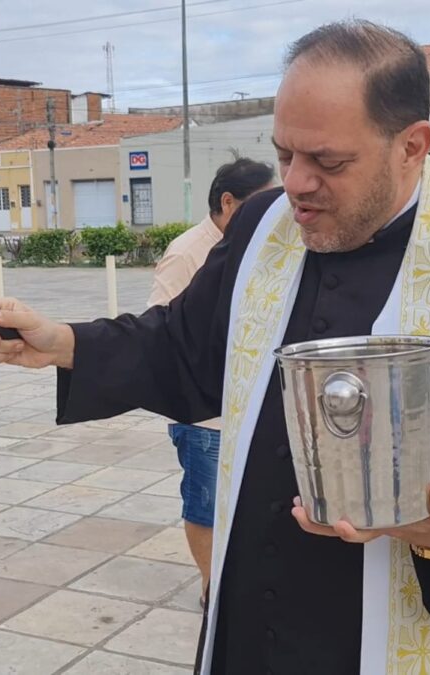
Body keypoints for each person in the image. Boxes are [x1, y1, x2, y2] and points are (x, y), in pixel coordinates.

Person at [0, 20, 430, 675]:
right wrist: (64, 342)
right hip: (257, 625)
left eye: (328, 161)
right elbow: (185, 349)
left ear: (413, 144)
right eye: (285, 153)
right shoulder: (265, 226)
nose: (297, 183)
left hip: (413, 632)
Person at [148, 158, 275, 603]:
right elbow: (161, 330)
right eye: (263, 201)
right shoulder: (187, 253)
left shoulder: (259, 246)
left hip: (250, 405)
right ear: (228, 202)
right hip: (204, 416)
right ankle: (211, 585)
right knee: (205, 505)